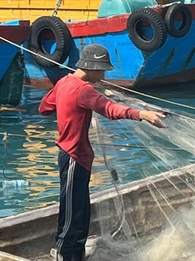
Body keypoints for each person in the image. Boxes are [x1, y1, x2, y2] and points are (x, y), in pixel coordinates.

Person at [39, 44, 166, 261]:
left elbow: (44, 107)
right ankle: (64, 254)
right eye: (102, 70)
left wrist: (67, 110)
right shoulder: (83, 90)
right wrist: (142, 114)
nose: (104, 74)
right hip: (73, 156)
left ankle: (76, 254)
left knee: (81, 209)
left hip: (78, 157)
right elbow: (110, 109)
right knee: (71, 211)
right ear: (91, 67)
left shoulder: (64, 82)